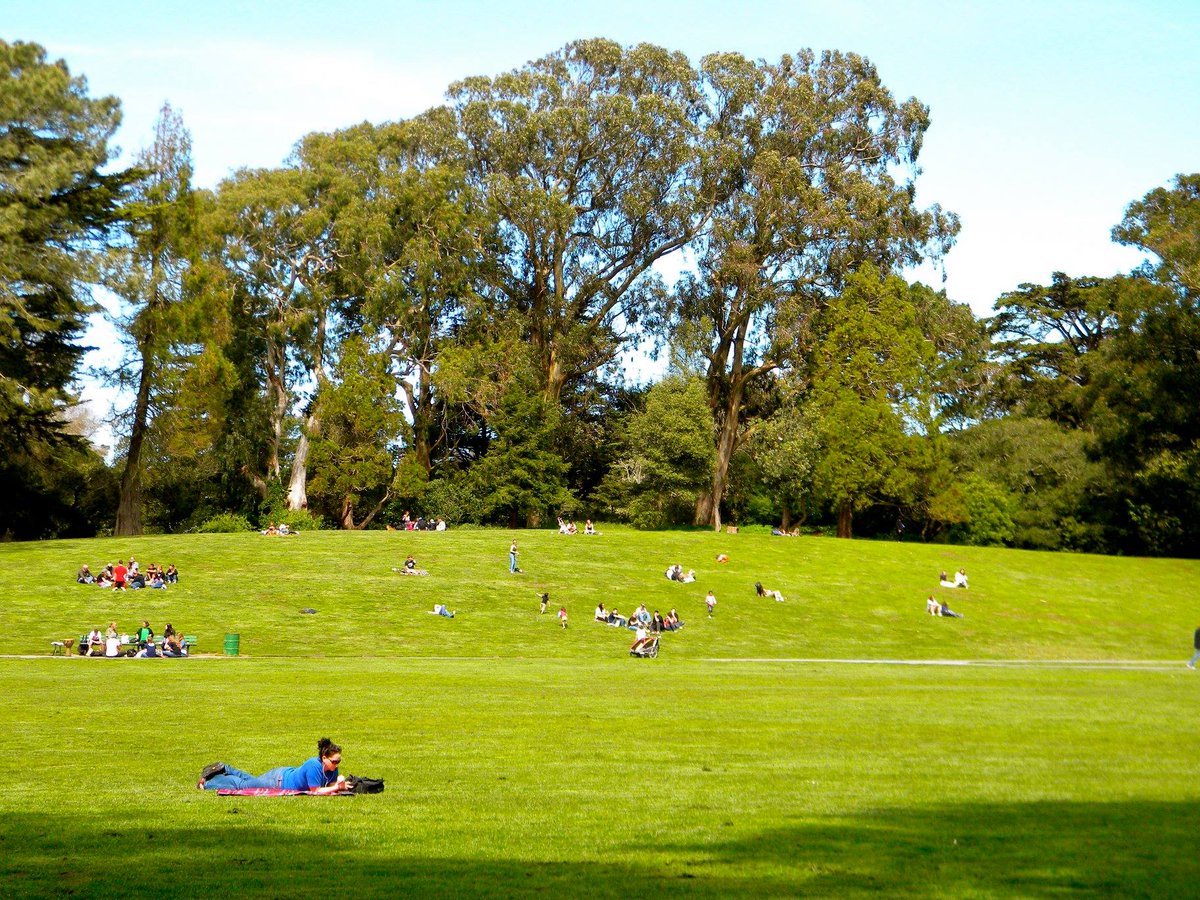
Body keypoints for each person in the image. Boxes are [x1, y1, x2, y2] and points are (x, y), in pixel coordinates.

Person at [200, 738, 350, 793]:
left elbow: (329, 785)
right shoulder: (314, 766)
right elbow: (316, 790)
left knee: (251, 781)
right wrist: (337, 787)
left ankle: (226, 768)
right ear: (324, 758)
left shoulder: (332, 770)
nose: (337, 765)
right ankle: (207, 783)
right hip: (277, 781)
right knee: (243, 786)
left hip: (281, 775)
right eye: (334, 761)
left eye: (339, 762)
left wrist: (339, 783)